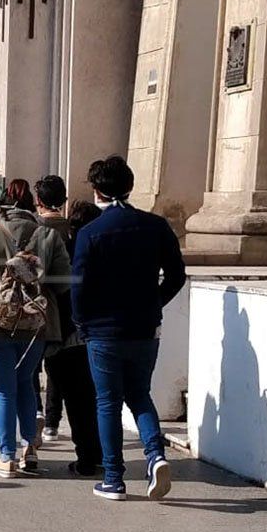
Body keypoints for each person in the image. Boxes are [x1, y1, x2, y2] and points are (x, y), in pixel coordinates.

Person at [72, 155, 185, 501]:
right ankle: (156, 455)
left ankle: (113, 478)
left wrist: (81, 322)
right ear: (130, 186)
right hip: (145, 327)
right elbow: (177, 275)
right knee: (139, 394)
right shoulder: (155, 226)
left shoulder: (90, 233)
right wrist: (155, 303)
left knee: (108, 402)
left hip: (103, 330)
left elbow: (79, 286)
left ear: (97, 191)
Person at [0, 178, 70, 479]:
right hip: (35, 324)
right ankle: (30, 449)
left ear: (2, 203)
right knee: (26, 382)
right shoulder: (48, 235)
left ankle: (6, 457)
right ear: (32, 204)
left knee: (3, 390)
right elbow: (63, 283)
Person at [51, 201, 104, 476]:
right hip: (100, 335)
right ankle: (100, 454)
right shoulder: (106, 254)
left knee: (75, 401)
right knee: (98, 399)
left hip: (67, 336)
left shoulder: (64, 252)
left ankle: (86, 457)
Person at [34, 174, 72, 441]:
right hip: (66, 304)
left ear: (39, 200)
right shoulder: (73, 229)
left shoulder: (35, 230)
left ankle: (36, 412)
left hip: (37, 303)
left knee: (31, 365)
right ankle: (52, 421)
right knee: (57, 365)